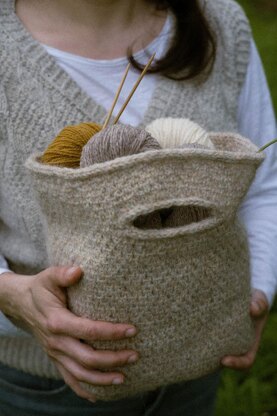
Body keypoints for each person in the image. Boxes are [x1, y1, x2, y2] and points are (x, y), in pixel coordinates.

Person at [0, 0, 276, 414]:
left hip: (197, 370)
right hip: (46, 391)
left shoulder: (219, 23)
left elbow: (262, 187)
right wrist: (12, 296)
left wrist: (257, 292)